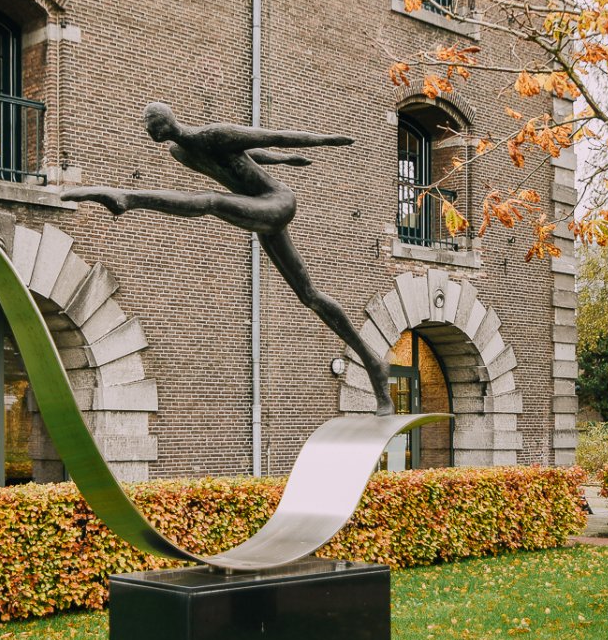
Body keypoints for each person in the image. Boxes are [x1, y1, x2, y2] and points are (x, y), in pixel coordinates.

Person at [62, 102, 394, 415]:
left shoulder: (214, 134)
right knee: (310, 296)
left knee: (212, 201)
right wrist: (284, 161)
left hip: (277, 202)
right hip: (256, 208)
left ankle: (126, 198)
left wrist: (325, 140)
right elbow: (249, 156)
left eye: (151, 124)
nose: (148, 130)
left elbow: (272, 136)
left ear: (165, 121)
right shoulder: (181, 152)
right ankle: (373, 365)